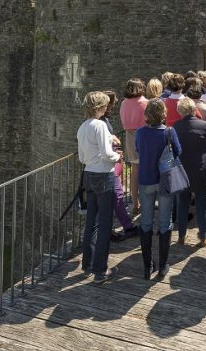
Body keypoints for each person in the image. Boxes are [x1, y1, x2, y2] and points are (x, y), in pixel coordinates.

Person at [77, 91, 120, 284]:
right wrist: (118, 156)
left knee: (91, 222)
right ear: (100, 107)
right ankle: (100, 271)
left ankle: (87, 264)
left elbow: (82, 157)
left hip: (89, 174)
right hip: (103, 175)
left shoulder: (83, 127)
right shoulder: (100, 125)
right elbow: (106, 154)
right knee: (104, 224)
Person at [135, 98, 181, 280]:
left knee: (145, 222)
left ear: (147, 114)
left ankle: (147, 266)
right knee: (164, 222)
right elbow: (178, 151)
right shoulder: (169, 132)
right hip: (164, 180)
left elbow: (138, 150)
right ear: (163, 113)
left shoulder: (140, 133)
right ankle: (162, 266)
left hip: (146, 179)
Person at [173, 97, 206, 246]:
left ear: (180, 111)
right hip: (200, 169)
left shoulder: (175, 127)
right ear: (193, 109)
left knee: (183, 203)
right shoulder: (203, 125)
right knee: (201, 205)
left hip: (182, 170)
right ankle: (203, 235)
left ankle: (181, 236)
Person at [100, 91, 139, 241]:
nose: (114, 105)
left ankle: (121, 227)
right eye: (113, 103)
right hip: (108, 164)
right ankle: (124, 228)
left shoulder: (103, 120)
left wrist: (112, 138)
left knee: (115, 196)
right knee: (117, 195)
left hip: (110, 163)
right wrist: (115, 153)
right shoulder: (101, 122)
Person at [119, 78, 148, 215]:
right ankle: (146, 201)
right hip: (145, 136)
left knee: (135, 172)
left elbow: (123, 121)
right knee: (148, 170)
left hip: (130, 137)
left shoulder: (124, 103)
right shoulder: (145, 102)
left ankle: (135, 203)